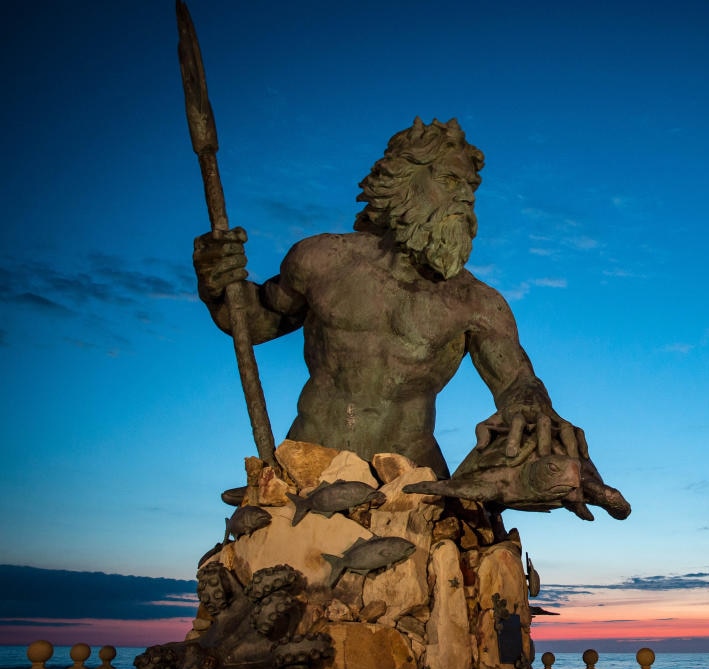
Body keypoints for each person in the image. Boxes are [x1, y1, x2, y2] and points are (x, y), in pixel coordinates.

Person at [193, 117, 627, 520]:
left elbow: (516, 382)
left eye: (471, 188)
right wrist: (218, 285)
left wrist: (534, 407)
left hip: (413, 483)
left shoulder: (477, 303)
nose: (465, 197)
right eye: (450, 180)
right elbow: (256, 322)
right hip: (307, 468)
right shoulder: (322, 260)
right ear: (404, 181)